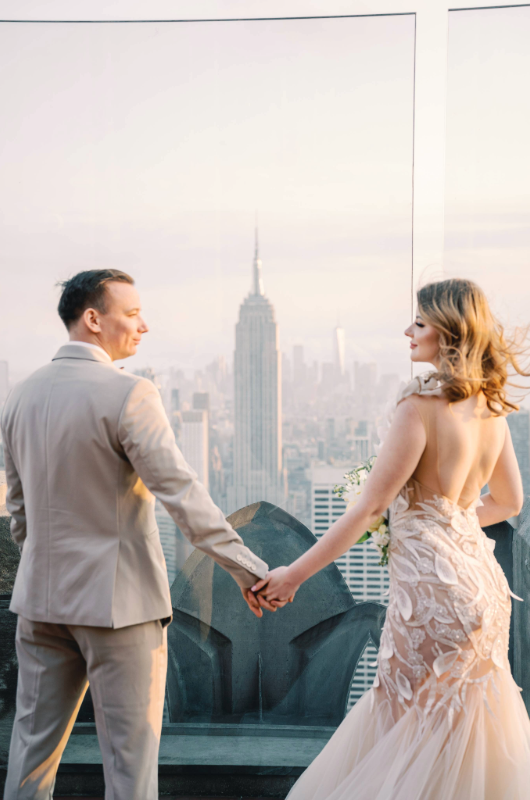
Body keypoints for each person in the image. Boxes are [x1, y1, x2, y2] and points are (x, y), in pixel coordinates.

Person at [1, 269, 280, 800]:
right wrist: (249, 569)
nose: (143, 325)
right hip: (119, 608)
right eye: (131, 314)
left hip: (40, 604)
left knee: (28, 763)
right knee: (130, 772)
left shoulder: (20, 395)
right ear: (92, 319)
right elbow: (182, 494)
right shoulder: (129, 393)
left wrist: (44, 568)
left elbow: (19, 514)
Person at [253, 278, 530, 799]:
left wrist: (293, 575)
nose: (409, 330)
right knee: (465, 733)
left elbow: (372, 506)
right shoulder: (492, 408)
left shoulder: (418, 404)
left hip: (433, 596)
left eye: (420, 323)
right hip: (485, 591)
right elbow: (510, 503)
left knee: (403, 726)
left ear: (448, 331)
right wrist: (447, 521)